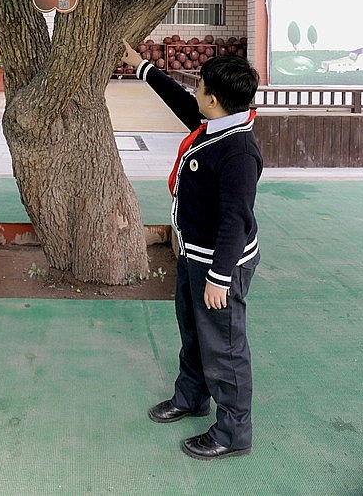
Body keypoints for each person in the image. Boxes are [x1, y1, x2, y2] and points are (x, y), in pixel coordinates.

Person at [122, 40, 262, 460]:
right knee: (194, 331)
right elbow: (180, 101)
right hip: (193, 253)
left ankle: (233, 433)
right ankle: (191, 396)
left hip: (219, 265)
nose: (193, 91)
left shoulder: (238, 151)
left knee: (224, 346)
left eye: (199, 86)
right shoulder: (216, 124)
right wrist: (142, 67)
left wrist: (220, 277)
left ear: (214, 100)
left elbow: (236, 220)